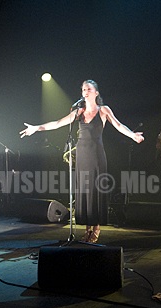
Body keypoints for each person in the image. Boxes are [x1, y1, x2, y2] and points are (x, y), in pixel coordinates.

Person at [20, 80, 144, 243]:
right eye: (83, 89)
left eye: (89, 89)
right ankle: (87, 228)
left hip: (96, 153)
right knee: (84, 190)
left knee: (96, 189)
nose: (85, 91)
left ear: (96, 93)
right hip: (82, 154)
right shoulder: (79, 111)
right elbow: (57, 123)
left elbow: (119, 125)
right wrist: (37, 128)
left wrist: (132, 135)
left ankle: (96, 227)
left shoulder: (104, 110)